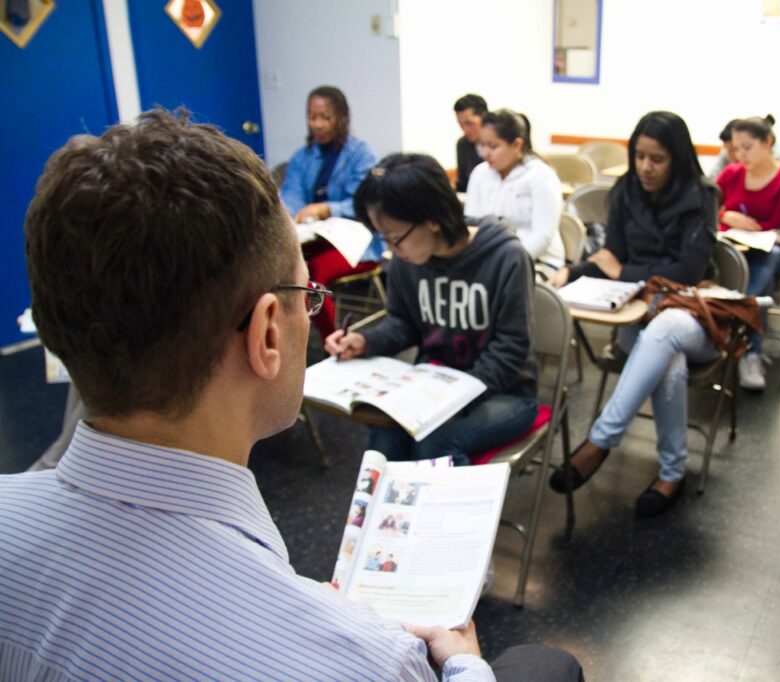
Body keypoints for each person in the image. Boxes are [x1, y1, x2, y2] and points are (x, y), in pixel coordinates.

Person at [1, 109, 583, 681]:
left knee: (423, 434)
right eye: (308, 294)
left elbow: (509, 357)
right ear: (267, 334)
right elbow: (404, 323)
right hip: (424, 414)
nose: (313, 308)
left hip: (487, 395)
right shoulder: (372, 661)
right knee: (547, 664)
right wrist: (460, 663)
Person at [547, 111, 719, 518]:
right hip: (640, 317)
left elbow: (687, 272)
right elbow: (611, 256)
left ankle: (601, 441)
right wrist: (573, 270)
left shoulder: (702, 196)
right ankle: (672, 473)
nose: (645, 167)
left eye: (656, 159)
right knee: (667, 362)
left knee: (668, 329)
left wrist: (623, 273)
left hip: (691, 315)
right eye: (639, 156)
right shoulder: (626, 191)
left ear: (677, 157)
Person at [326, 153, 540, 466]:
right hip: (432, 386)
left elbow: (510, 352)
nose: (391, 250)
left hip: (506, 394)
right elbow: (404, 324)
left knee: (434, 440)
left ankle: (450, 516)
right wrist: (366, 341)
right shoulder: (407, 259)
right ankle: (380, 515)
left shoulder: (506, 257)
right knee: (384, 438)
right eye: (385, 239)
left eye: (396, 238)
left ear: (433, 220)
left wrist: (449, 398)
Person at [279, 85, 385, 342]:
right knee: (283, 263)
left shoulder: (361, 154)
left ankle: (332, 342)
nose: (317, 124)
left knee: (312, 273)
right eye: (312, 117)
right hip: (316, 237)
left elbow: (365, 202)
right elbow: (291, 195)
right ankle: (288, 337)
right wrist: (289, 215)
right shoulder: (302, 157)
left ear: (341, 118)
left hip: (358, 242)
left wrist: (327, 208)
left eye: (325, 117)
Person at [716, 115, 780, 391]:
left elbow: (778, 221)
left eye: (747, 147)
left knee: (764, 264)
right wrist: (728, 216)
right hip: (733, 246)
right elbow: (710, 208)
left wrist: (740, 222)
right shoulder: (732, 173)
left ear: (768, 143)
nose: (740, 155)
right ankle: (741, 337)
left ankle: (746, 342)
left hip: (770, 249)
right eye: (736, 149)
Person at [464, 109, 565, 278]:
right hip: (488, 260)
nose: (485, 154)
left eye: (493, 146)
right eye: (482, 145)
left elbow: (542, 236)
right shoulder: (480, 174)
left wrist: (505, 262)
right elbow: (471, 224)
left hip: (537, 261)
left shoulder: (541, 176)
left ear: (517, 145)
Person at [705, 114, 780, 180]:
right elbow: (713, 181)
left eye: (746, 147)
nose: (738, 155)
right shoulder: (728, 154)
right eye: (735, 149)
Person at [454, 93, 488, 193]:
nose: (465, 130)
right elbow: (463, 183)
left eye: (469, 123)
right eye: (460, 125)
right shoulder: (462, 144)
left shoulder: (502, 143)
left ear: (484, 117)